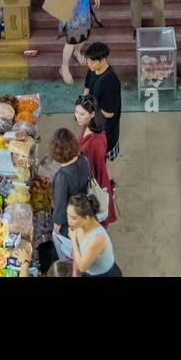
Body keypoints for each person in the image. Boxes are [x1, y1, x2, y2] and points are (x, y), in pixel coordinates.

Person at [49, 128, 93, 260]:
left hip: (71, 223)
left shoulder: (62, 177)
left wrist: (55, 230)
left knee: (69, 254)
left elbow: (60, 209)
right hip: (85, 213)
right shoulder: (83, 160)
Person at [74, 95, 116, 225]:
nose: (77, 116)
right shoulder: (87, 126)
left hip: (95, 182)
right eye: (76, 112)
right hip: (88, 175)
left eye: (81, 114)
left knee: (96, 219)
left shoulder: (97, 141)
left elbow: (97, 170)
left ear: (92, 114)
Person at [82, 40, 121, 158]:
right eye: (88, 60)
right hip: (92, 122)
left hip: (105, 129)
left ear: (103, 60)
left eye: (92, 61)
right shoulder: (92, 70)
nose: (88, 63)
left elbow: (108, 113)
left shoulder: (111, 81)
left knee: (103, 158)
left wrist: (88, 114)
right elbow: (87, 89)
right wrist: (82, 106)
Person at [68, 193, 120, 276]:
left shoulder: (98, 238)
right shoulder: (79, 225)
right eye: (68, 215)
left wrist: (73, 239)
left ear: (86, 217)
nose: (69, 220)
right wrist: (75, 274)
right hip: (91, 272)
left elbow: (82, 267)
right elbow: (77, 252)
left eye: (73, 217)